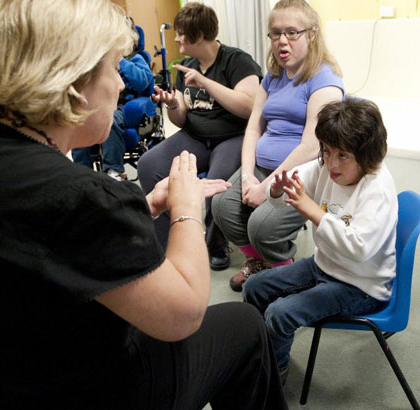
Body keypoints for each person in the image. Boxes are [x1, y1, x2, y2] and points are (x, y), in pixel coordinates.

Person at [0, 1, 288, 409]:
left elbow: (57, 238)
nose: (120, 86)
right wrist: (187, 208)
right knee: (245, 324)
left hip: (6, 369)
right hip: (87, 386)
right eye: (115, 69)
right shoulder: (81, 194)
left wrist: (144, 204)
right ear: (72, 83)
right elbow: (184, 314)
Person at [243, 98, 397, 384]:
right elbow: (282, 199)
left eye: (342, 156)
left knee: (279, 314)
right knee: (254, 287)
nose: (330, 163)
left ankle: (275, 374)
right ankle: (261, 351)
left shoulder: (377, 190)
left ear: (367, 156)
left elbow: (359, 249)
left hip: (361, 286)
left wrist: (312, 211)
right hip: (324, 266)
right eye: (326, 152)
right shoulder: (326, 168)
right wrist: (276, 190)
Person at [211, 0, 344, 291]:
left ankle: (286, 274)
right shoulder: (273, 76)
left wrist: (266, 185)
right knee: (222, 205)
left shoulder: (325, 80)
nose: (282, 41)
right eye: (275, 33)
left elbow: (312, 146)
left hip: (300, 175)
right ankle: (260, 262)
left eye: (292, 32)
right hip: (261, 168)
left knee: (262, 225)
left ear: (311, 34)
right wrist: (247, 175)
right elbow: (253, 128)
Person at [137, 2, 263, 270]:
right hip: (195, 137)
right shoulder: (186, 66)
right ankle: (166, 242)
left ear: (199, 35)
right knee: (148, 165)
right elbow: (181, 117)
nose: (176, 38)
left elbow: (249, 105)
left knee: (216, 184)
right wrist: (172, 104)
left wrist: (205, 82)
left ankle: (215, 245)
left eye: (182, 33)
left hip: (232, 136)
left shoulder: (236, 61)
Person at [71, 21, 153, 181]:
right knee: (80, 120)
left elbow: (142, 82)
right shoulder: (102, 62)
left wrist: (121, 60)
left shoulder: (136, 58)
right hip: (102, 102)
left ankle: (114, 170)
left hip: (124, 105)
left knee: (111, 118)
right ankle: (81, 171)